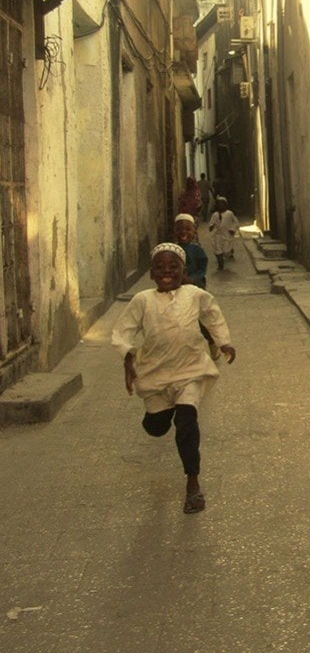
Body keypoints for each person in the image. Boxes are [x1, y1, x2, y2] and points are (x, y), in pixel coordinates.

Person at [111, 242, 236, 514]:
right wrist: (128, 358)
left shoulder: (194, 294)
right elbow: (123, 331)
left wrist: (223, 341)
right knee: (156, 427)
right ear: (151, 272)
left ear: (183, 270)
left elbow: (212, 315)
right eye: (160, 267)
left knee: (186, 421)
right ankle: (158, 415)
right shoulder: (142, 300)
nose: (167, 272)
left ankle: (193, 483)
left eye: (173, 266)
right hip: (155, 374)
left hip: (189, 369)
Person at [173, 213, 220, 360]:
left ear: (194, 231)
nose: (183, 232)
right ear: (175, 231)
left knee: (199, 320)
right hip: (176, 289)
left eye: (187, 229)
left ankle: (212, 341)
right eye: (179, 229)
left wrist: (191, 279)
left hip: (195, 288)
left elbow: (202, 269)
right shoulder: (172, 250)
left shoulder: (197, 250)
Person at [208, 196, 239, 270]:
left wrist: (233, 229)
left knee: (226, 250)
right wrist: (211, 227)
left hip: (227, 234)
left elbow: (236, 223)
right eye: (219, 204)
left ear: (226, 205)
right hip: (218, 235)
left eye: (222, 204)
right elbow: (211, 223)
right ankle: (220, 264)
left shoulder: (229, 214)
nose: (220, 206)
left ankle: (229, 252)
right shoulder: (215, 215)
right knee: (218, 250)